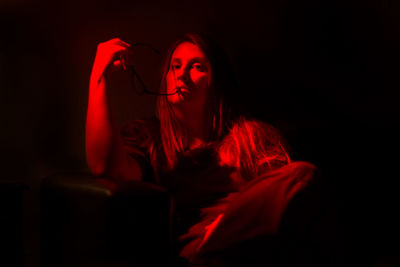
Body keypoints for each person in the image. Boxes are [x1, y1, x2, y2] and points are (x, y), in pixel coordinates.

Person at [86, 33, 340, 266]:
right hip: (201, 250)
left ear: (216, 81)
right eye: (175, 67)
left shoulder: (252, 136)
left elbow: (288, 202)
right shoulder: (148, 136)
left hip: (259, 247)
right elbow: (105, 168)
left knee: (301, 177)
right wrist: (99, 75)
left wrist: (234, 217)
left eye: (196, 67)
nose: (182, 74)